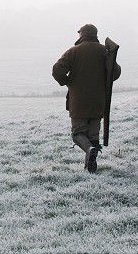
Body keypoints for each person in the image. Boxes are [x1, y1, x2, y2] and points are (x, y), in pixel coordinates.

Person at [52, 23, 121, 173]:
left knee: (78, 134)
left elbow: (57, 70)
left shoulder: (73, 51)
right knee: (93, 136)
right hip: (98, 101)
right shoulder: (105, 51)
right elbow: (115, 73)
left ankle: (89, 150)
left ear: (82, 35)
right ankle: (90, 167)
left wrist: (67, 81)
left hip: (79, 102)